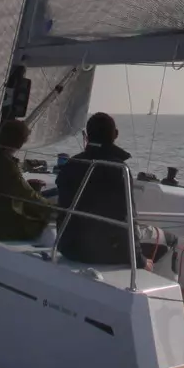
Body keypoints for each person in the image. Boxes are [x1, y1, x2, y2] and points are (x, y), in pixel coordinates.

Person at [55, 111, 135, 264]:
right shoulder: (119, 170)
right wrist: (140, 260)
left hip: (69, 248)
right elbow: (127, 220)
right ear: (116, 134)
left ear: (87, 135)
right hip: (104, 252)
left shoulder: (71, 165)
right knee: (166, 239)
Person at [0, 118, 54, 242]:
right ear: (19, 144)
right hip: (6, 231)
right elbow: (28, 196)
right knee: (49, 224)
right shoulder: (7, 166)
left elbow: (3, 188)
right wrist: (55, 208)